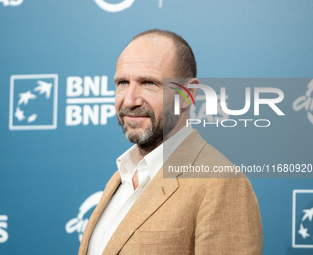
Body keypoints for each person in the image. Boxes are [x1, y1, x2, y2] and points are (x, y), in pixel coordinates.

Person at [78, 29, 263, 255]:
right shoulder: (119, 178)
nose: (130, 100)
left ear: (188, 94)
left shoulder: (220, 183)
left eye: (149, 83)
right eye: (122, 82)